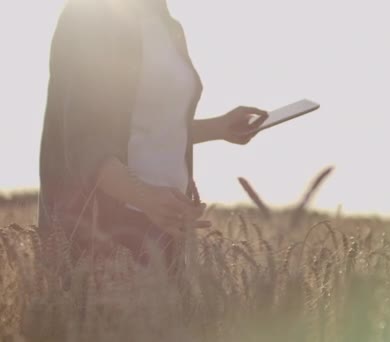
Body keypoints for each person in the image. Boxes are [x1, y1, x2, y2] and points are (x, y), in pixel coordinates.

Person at [38, 0, 268, 270]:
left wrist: (220, 127)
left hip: (167, 222)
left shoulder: (168, 27)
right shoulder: (90, 16)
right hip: (108, 231)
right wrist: (146, 198)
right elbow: (85, 142)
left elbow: (151, 126)